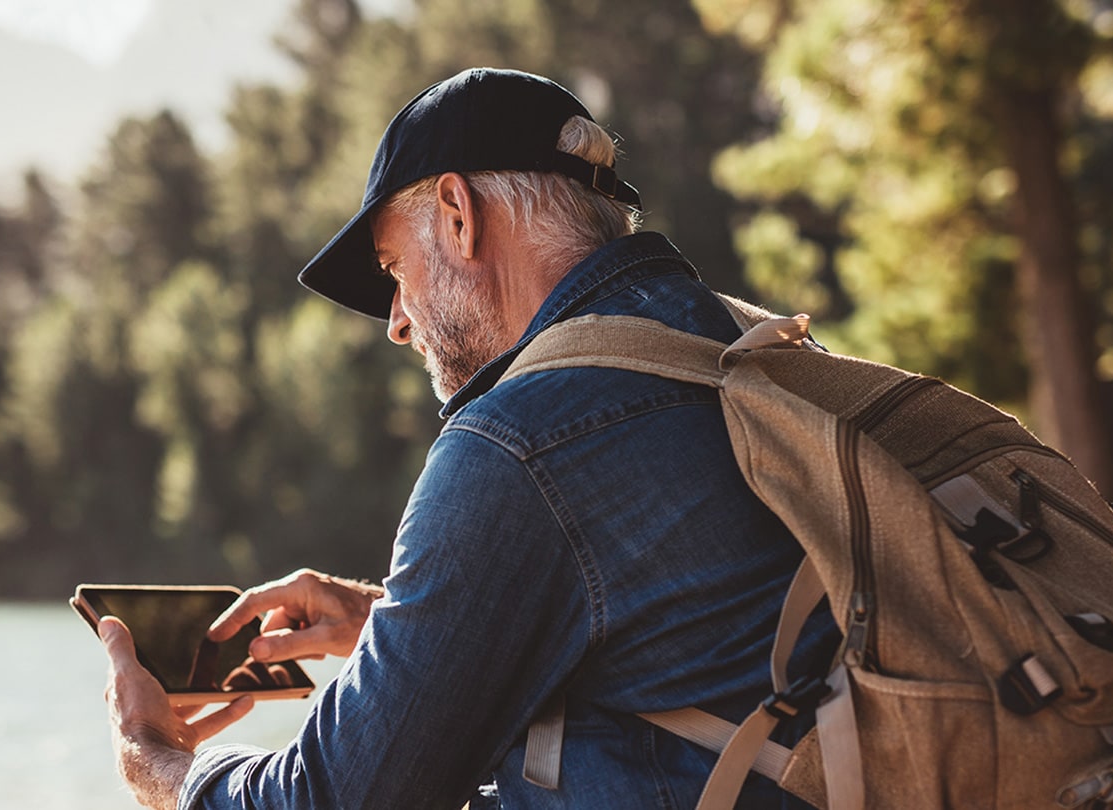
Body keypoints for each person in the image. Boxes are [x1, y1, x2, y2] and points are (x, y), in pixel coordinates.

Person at [94, 67, 837, 809]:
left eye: (394, 269)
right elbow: (682, 639)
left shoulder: (519, 442)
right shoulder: (765, 356)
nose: (396, 321)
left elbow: (334, 800)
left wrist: (158, 761)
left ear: (458, 214)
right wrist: (396, 629)